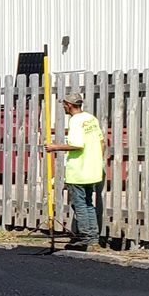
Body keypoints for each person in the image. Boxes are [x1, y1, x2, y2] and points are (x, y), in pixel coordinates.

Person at [45, 92, 105, 251]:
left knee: (79, 205)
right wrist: (97, 160)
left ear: (69, 105)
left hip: (78, 170)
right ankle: (93, 238)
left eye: (64, 104)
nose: (63, 107)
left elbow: (77, 145)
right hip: (93, 169)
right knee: (88, 203)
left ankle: (86, 238)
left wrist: (55, 147)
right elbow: (102, 142)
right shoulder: (91, 119)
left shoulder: (75, 121)